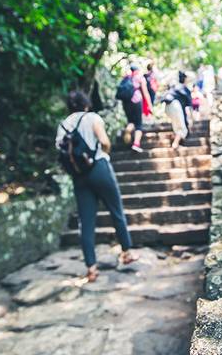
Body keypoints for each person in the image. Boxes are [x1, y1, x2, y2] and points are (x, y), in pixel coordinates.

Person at [55, 90, 137, 282]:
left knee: (86, 223)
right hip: (99, 168)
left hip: (78, 176)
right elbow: (105, 142)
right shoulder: (92, 117)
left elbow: (61, 152)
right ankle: (126, 252)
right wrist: (102, 154)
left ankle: (91, 267)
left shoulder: (63, 125)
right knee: (116, 211)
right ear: (86, 103)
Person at [121, 65, 152, 153]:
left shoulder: (126, 77)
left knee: (131, 121)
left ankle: (128, 129)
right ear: (137, 70)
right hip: (136, 101)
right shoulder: (140, 78)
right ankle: (136, 144)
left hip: (126, 102)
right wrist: (150, 105)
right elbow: (145, 93)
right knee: (138, 124)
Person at [161, 71, 194, 149]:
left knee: (177, 126)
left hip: (167, 106)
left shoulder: (175, 86)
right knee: (182, 129)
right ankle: (175, 144)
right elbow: (189, 107)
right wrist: (191, 119)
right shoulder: (184, 89)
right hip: (175, 106)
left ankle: (176, 142)